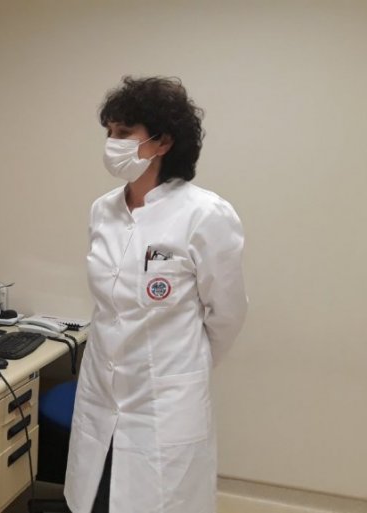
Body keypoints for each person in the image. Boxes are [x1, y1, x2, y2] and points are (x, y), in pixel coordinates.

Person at [64, 76, 247, 513]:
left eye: (125, 132)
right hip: (101, 391)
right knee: (96, 498)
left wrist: (180, 367)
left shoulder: (205, 214)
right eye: (109, 132)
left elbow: (227, 314)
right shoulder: (102, 210)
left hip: (165, 403)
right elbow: (107, 305)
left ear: (163, 142)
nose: (113, 143)